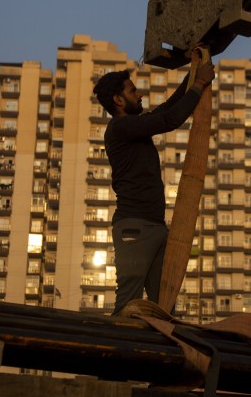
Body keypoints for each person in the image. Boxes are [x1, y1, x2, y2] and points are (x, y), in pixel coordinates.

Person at [92, 47, 214, 315]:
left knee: (164, 305)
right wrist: (201, 84)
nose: (140, 95)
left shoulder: (133, 127)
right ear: (118, 100)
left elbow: (167, 108)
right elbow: (170, 119)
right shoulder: (120, 128)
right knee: (128, 303)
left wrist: (193, 76)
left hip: (155, 228)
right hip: (135, 228)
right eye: (133, 91)